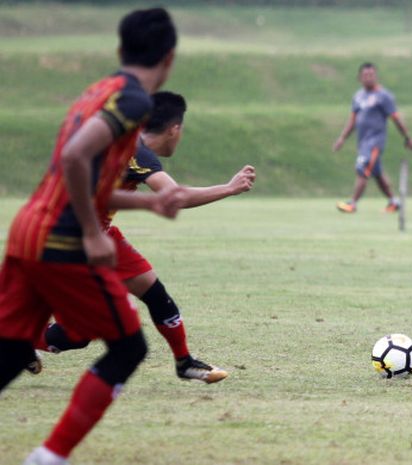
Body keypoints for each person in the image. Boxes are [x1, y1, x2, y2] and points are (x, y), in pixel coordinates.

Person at [0, 8, 181, 465]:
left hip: (28, 228)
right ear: (170, 59)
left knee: (11, 350)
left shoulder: (100, 90)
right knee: (127, 346)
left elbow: (82, 172)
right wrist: (90, 232)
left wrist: (147, 202)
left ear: (121, 51)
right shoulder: (135, 102)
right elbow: (77, 158)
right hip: (61, 240)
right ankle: (49, 457)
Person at [33, 91, 256, 384]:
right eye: (181, 131)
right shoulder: (137, 153)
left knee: (156, 294)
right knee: (77, 335)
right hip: (73, 239)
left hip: (99, 233)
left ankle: (184, 362)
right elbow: (175, 197)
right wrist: (229, 188)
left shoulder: (126, 140)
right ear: (174, 129)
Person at [333, 62, 412, 213]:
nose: (368, 78)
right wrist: (342, 138)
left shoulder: (384, 97)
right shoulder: (358, 97)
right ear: (359, 78)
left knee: (362, 168)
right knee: (377, 174)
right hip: (363, 142)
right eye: (365, 75)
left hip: (375, 142)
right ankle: (393, 201)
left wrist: (407, 137)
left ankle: (352, 203)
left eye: (371, 75)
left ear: (376, 76)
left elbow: (396, 118)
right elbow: (353, 120)